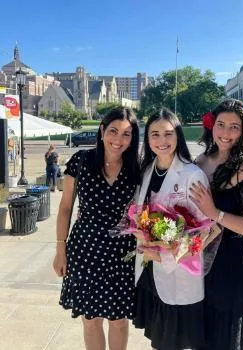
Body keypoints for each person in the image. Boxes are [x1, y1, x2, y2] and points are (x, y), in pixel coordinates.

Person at [190, 99, 243, 350]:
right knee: (205, 331)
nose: (225, 133)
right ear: (211, 126)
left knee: (228, 335)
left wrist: (214, 213)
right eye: (220, 124)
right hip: (203, 256)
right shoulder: (202, 160)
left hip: (234, 263)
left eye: (234, 127)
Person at [53, 107, 140, 350]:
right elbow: (65, 208)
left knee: (119, 320)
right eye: (113, 131)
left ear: (133, 139)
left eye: (126, 134)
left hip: (121, 253)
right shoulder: (81, 161)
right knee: (90, 320)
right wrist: (60, 249)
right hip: (85, 250)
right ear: (102, 131)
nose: (118, 139)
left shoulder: (137, 168)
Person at [133, 107, 211, 350]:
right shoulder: (147, 170)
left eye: (168, 133)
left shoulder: (191, 174)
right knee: (159, 341)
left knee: (173, 343)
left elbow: (205, 230)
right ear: (147, 139)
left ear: (178, 135)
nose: (161, 140)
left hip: (179, 274)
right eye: (154, 134)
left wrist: (165, 254)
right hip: (149, 271)